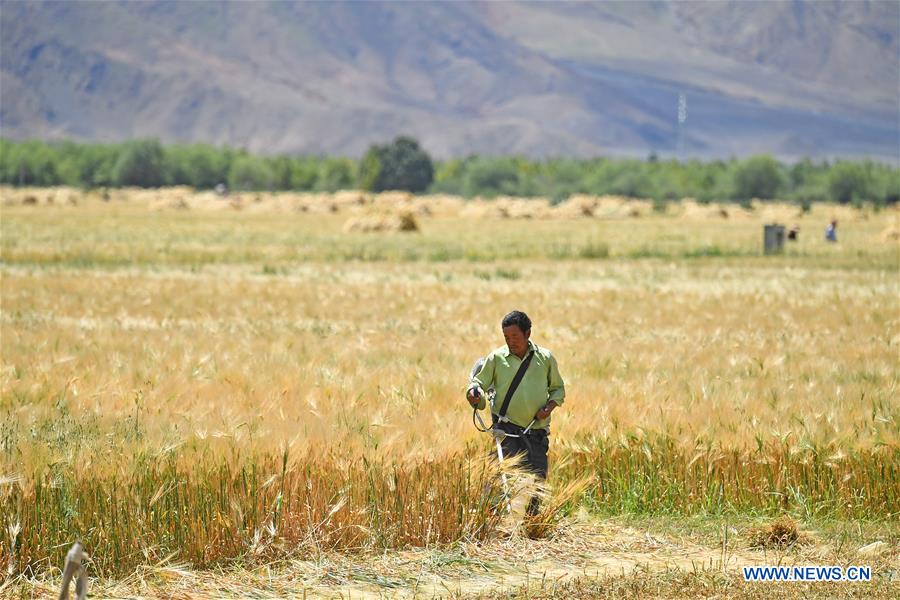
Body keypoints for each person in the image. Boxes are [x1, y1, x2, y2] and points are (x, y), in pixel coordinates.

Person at [467, 310, 566, 514]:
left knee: (536, 482)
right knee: (500, 479)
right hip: (507, 430)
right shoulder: (496, 358)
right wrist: (473, 393)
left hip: (536, 432)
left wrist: (548, 408)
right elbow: (478, 383)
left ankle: (530, 527)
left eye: (515, 336)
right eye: (506, 337)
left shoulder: (545, 358)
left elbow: (558, 389)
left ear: (528, 333)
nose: (511, 341)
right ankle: (491, 522)